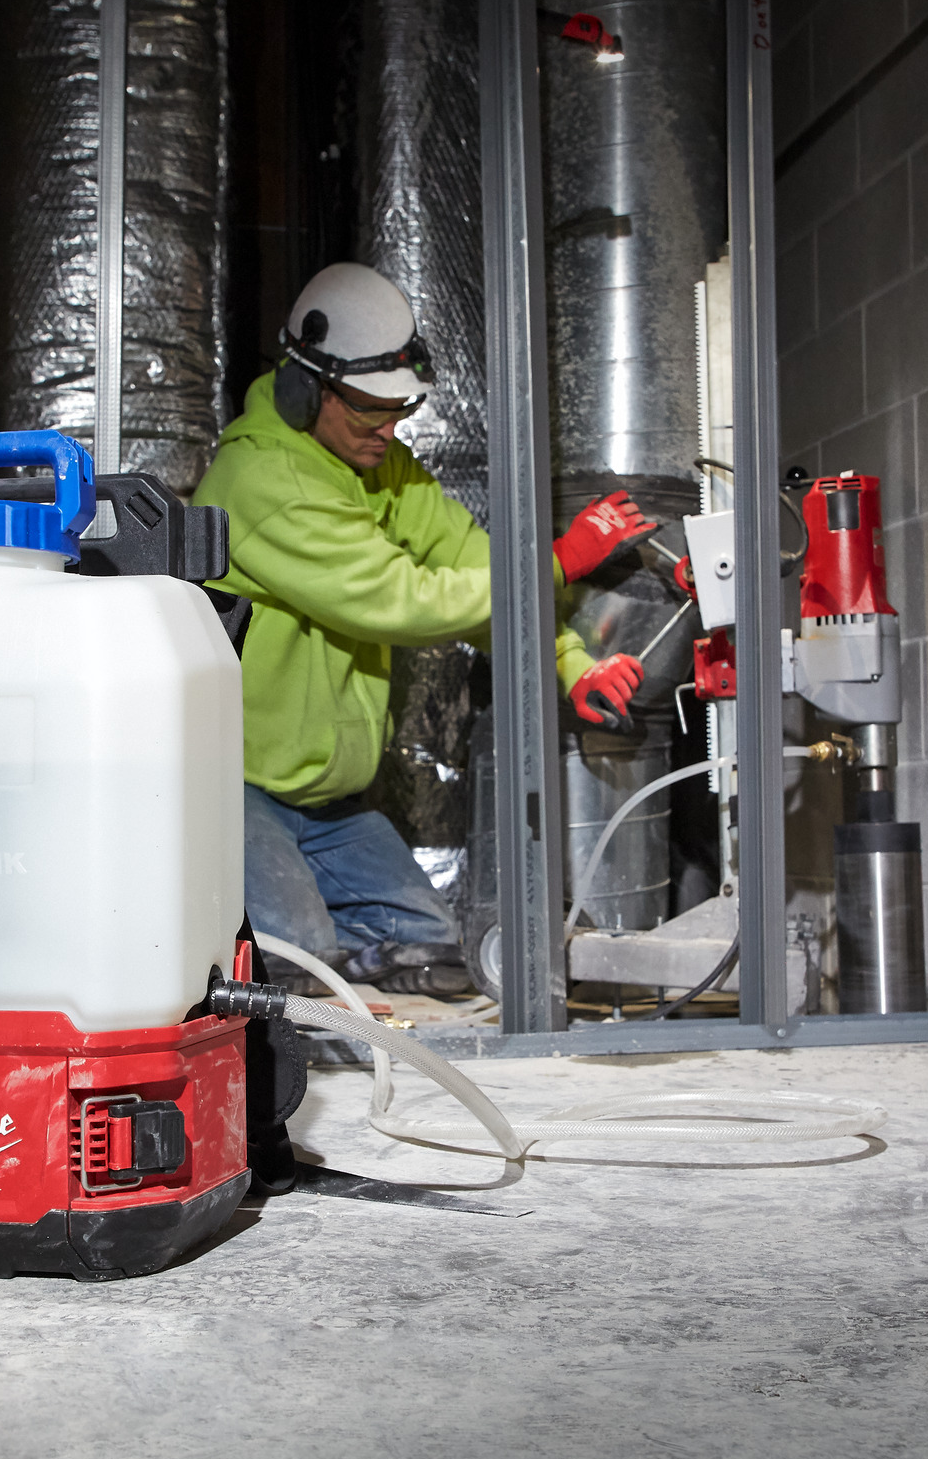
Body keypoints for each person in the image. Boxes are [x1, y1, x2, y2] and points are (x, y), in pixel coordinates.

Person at [193, 261, 658, 995]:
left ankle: (326, 969)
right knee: (296, 966)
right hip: (235, 789)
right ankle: (291, 960)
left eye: (399, 410)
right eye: (369, 411)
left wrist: (571, 663)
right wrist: (561, 562)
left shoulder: (381, 467)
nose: (388, 429)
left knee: (433, 949)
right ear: (305, 389)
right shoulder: (262, 482)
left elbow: (473, 563)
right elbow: (402, 600)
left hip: (329, 806)